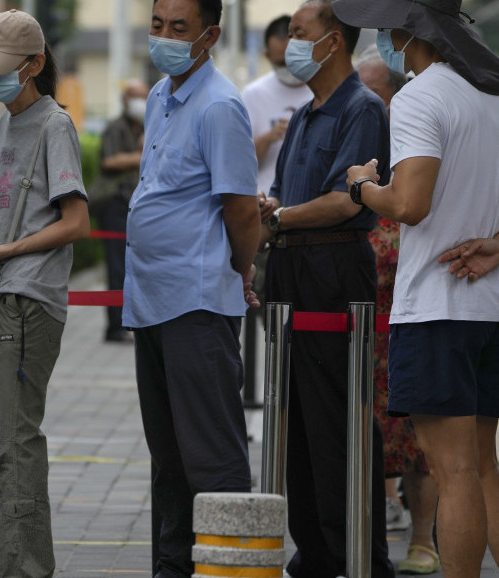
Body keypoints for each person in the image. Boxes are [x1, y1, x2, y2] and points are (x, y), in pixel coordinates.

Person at [335, 0, 499, 575]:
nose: (382, 41)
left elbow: (409, 203)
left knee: (451, 471)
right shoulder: (490, 93)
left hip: (437, 305)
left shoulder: (419, 97)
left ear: (410, 34)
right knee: (484, 467)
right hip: (490, 305)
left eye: (386, 31)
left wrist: (362, 186)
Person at [122, 0, 260, 575]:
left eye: (179, 28)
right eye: (158, 25)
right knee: (169, 457)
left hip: (197, 304)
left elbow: (242, 210)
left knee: (213, 455)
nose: (165, 38)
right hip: (151, 301)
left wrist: (241, 269)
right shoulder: (159, 97)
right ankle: (174, 569)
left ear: (210, 35)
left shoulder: (221, 105)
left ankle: (233, 569)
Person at [260, 2, 394, 577]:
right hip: (290, 270)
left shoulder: (360, 109)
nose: (289, 43)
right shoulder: (308, 113)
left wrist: (280, 218)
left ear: (333, 42)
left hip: (333, 270)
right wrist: (273, 213)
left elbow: (347, 201)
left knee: (339, 418)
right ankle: (313, 549)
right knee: (294, 421)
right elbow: (285, 194)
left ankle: (358, 553)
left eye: (298, 33)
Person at [0, 9, 90, 577]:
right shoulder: (9, 123)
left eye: (1, 68)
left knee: (12, 443)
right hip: (1, 293)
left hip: (28, 301)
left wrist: (3, 252)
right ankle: (5, 566)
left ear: (34, 65)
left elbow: (75, 221)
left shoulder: (54, 123)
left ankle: (25, 570)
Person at [356, 49, 442, 574]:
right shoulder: (356, 134)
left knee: (419, 436)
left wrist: (362, 189)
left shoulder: (419, 129)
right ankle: (365, 533)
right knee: (362, 429)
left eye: (375, 92)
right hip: (361, 312)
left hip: (410, 309)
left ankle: (425, 539)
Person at [93, 78, 147, 343]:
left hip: (138, 207)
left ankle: (131, 322)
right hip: (115, 204)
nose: (139, 102)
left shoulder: (146, 127)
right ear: (125, 100)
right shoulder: (116, 128)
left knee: (134, 267)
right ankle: (114, 327)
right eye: (134, 96)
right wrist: (144, 154)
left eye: (143, 96)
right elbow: (110, 160)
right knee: (117, 267)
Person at [242, 15, 313, 197]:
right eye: (281, 63)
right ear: (267, 56)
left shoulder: (321, 89)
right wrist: (270, 137)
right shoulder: (253, 94)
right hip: (264, 199)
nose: (288, 68)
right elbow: (238, 161)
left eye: (292, 60)